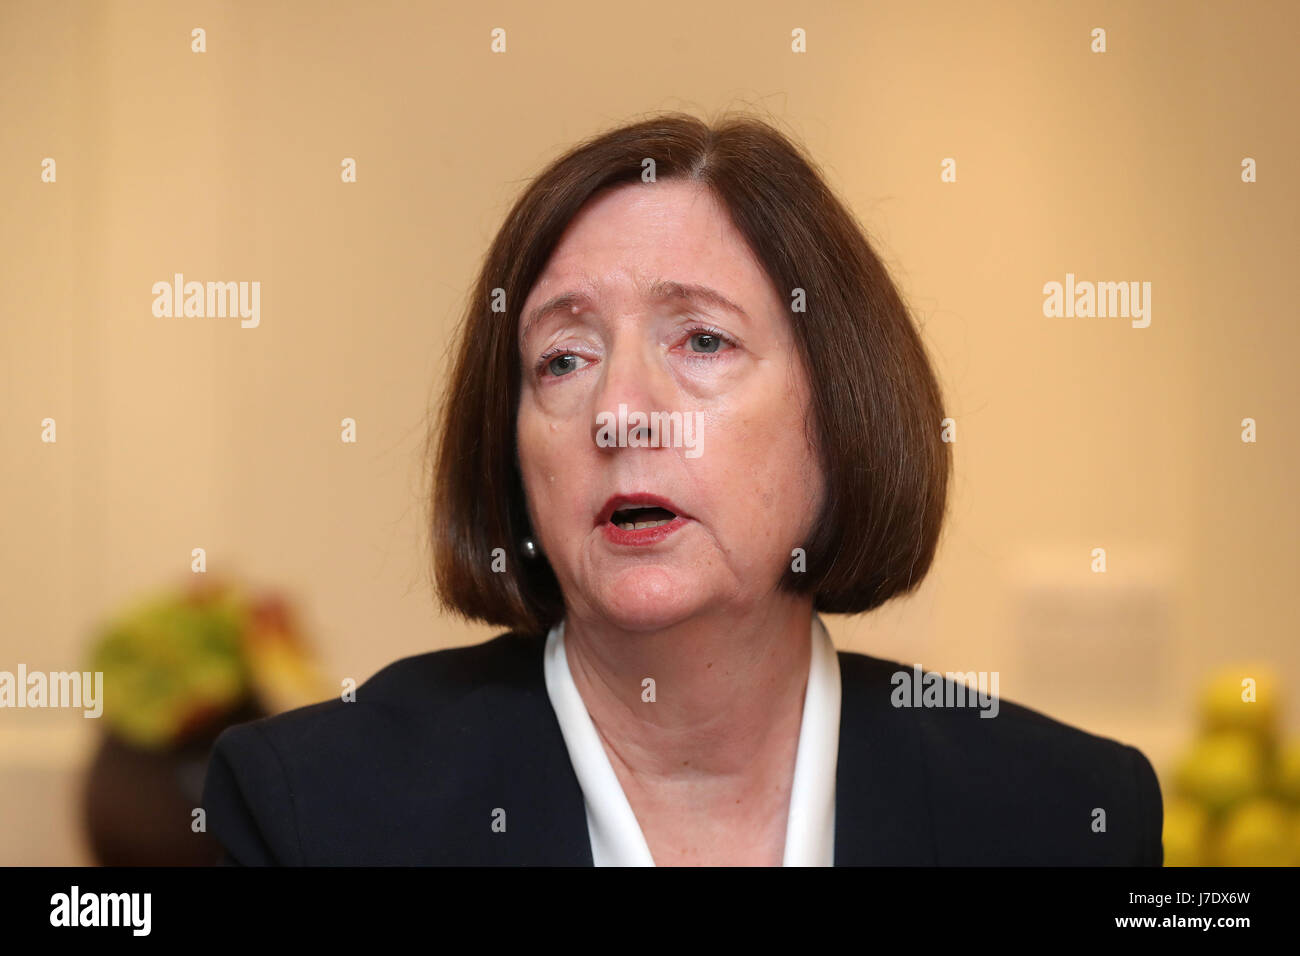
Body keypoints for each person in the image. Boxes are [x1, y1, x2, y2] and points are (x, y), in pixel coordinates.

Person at [201, 111, 1163, 866]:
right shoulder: (315, 811)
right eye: (564, 359)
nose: (620, 413)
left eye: (703, 340)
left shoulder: (1068, 816)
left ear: (839, 414)